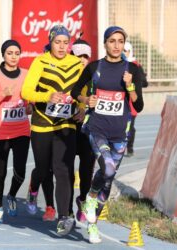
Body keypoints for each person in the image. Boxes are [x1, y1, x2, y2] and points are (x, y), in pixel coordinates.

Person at [71, 26, 144, 243]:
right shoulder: (94, 67)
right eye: (112, 41)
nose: (116, 45)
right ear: (105, 43)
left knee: (108, 180)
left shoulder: (132, 69)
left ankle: (92, 224)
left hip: (120, 133)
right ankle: (90, 200)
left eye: (120, 41)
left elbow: (138, 105)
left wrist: (130, 86)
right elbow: (75, 91)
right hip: (97, 128)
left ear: (124, 44)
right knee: (108, 168)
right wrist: (86, 101)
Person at [21, 25, 84, 235]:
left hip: (66, 123)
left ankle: (64, 216)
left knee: (63, 169)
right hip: (42, 122)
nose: (62, 46)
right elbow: (26, 90)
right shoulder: (40, 61)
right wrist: (47, 95)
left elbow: (84, 90)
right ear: (51, 42)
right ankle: (34, 184)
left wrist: (82, 109)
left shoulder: (76, 64)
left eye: (66, 43)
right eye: (58, 42)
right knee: (43, 169)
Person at [0, 40, 31, 225]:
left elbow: (30, 99)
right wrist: (3, 94)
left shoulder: (26, 75)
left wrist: (30, 106)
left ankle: (11, 195)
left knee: (21, 172)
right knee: (0, 173)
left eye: (17, 53)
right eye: (9, 53)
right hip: (1, 133)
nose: (13, 56)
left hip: (22, 131)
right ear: (3, 55)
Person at [69, 38, 96, 222]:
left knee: (87, 170)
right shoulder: (67, 75)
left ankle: (83, 200)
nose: (82, 59)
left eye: (85, 56)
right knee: (66, 171)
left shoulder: (96, 76)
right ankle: (66, 210)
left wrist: (85, 108)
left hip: (89, 129)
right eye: (78, 55)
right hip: (68, 128)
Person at [123, 41, 148, 157]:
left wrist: (132, 84)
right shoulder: (116, 63)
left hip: (131, 101)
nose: (124, 53)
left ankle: (130, 149)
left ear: (130, 51)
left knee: (130, 126)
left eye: (125, 51)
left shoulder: (136, 65)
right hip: (119, 100)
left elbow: (144, 82)